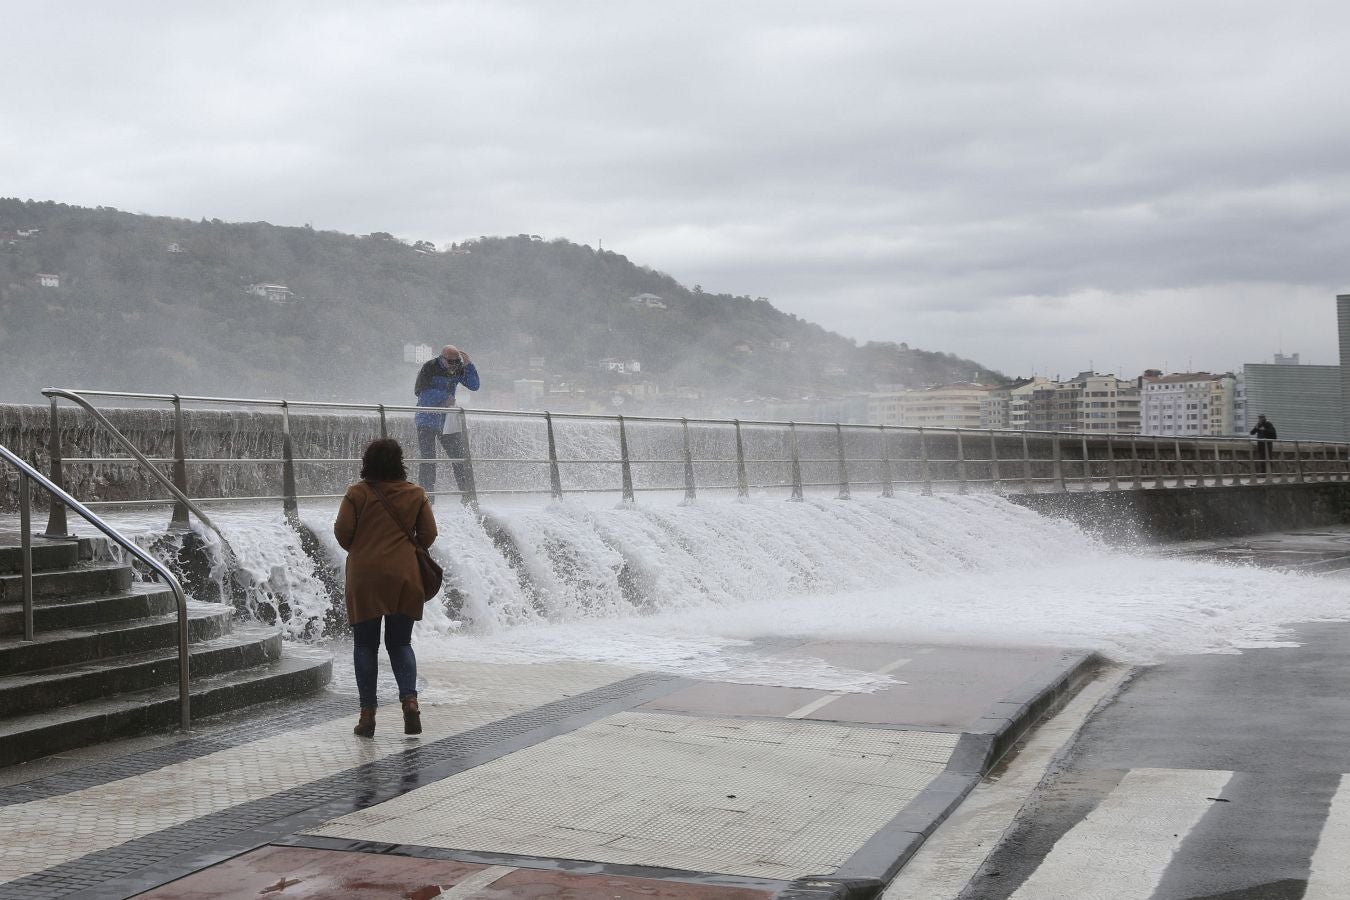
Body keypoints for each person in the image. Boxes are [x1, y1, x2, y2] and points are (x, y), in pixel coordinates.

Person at [334, 438, 437, 738]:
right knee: (400, 643)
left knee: (365, 645)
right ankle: (410, 701)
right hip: (404, 576)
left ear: (367, 462)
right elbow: (428, 534)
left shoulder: (357, 493)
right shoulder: (416, 493)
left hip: (365, 576)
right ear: (399, 463)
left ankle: (367, 716)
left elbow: (342, 533)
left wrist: (366, 548)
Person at [414, 344, 481, 501]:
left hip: (446, 421)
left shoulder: (458, 368)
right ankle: (427, 500)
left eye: (456, 361)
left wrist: (468, 365)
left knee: (459, 457)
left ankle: (468, 498)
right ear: (441, 358)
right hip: (427, 419)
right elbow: (420, 392)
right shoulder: (429, 367)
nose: (453, 365)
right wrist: (443, 397)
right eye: (450, 362)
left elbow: (474, 386)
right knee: (428, 460)